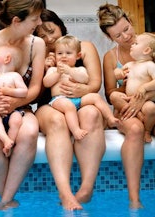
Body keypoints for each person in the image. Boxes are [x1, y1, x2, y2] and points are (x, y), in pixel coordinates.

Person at [0, 0, 45, 210]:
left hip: (22, 106)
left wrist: (14, 102)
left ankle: (6, 199)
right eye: (35, 19)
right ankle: (6, 196)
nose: (39, 22)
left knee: (29, 133)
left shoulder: (36, 45)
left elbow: (35, 88)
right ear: (16, 21)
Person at [35, 9, 105, 210]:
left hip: (81, 99)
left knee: (91, 113)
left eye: (50, 31)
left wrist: (80, 89)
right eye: (41, 35)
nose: (48, 38)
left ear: (60, 25)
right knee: (58, 120)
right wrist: (46, 66)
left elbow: (95, 83)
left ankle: (86, 188)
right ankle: (65, 193)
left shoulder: (85, 47)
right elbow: (38, 92)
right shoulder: (41, 53)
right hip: (50, 104)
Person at [98, 3, 155, 209]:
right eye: (118, 36)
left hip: (151, 105)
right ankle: (134, 197)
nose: (126, 37)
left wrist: (146, 94)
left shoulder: (150, 43)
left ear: (130, 22)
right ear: (109, 38)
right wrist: (117, 98)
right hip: (127, 108)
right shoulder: (111, 58)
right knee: (135, 129)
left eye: (126, 29)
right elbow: (110, 92)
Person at [44, 35, 119, 140]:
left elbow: (84, 79)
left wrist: (70, 71)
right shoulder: (53, 70)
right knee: (69, 107)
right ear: (55, 55)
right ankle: (76, 130)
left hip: (78, 99)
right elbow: (46, 83)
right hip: (59, 100)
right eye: (60, 53)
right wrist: (57, 73)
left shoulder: (80, 69)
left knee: (95, 97)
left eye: (68, 53)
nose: (64, 56)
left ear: (78, 56)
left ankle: (110, 118)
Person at [112, 32, 155, 142]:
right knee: (114, 95)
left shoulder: (149, 65)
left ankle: (147, 131)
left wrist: (144, 87)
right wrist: (118, 73)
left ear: (146, 50)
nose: (132, 45)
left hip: (144, 101)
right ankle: (137, 115)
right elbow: (119, 72)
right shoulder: (130, 64)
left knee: (151, 108)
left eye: (136, 44)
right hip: (127, 99)